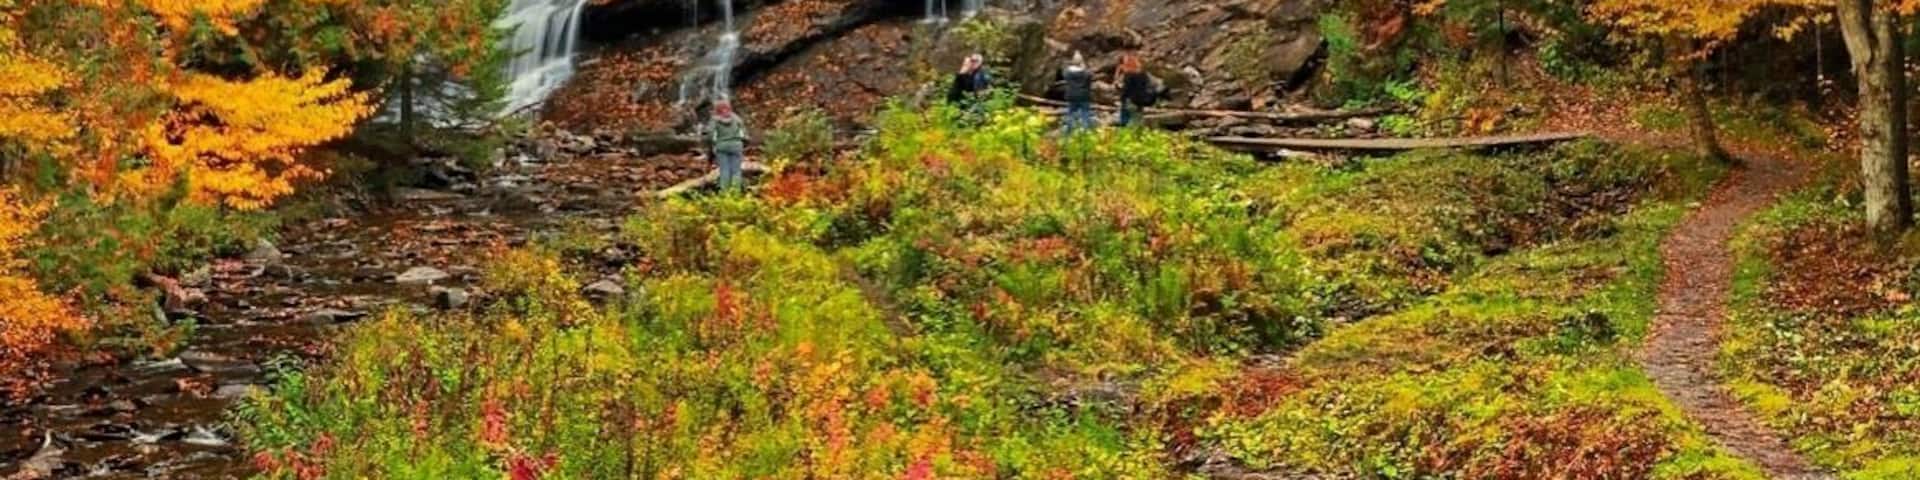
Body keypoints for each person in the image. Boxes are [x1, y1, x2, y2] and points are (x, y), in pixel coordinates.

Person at [709, 100, 749, 191]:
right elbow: (744, 134)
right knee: (736, 170)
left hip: (721, 146)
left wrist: (712, 146)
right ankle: (735, 192)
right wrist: (744, 144)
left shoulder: (714, 120)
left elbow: (711, 135)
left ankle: (724, 193)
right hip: (736, 145)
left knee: (724, 170)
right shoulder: (736, 118)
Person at [1116, 54, 1155, 127]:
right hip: (1141, 99)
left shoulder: (1128, 75)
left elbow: (1126, 89)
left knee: (1126, 119)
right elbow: (1148, 86)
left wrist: (1122, 96)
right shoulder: (1144, 74)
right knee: (1138, 118)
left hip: (1130, 100)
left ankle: (1125, 130)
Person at [1060, 52, 1094, 135]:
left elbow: (1064, 74)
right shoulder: (1086, 73)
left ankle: (1068, 131)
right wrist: (1084, 67)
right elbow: (1090, 77)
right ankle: (1085, 131)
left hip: (1071, 95)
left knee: (1070, 113)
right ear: (1081, 62)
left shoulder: (1068, 72)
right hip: (1084, 95)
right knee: (1085, 113)